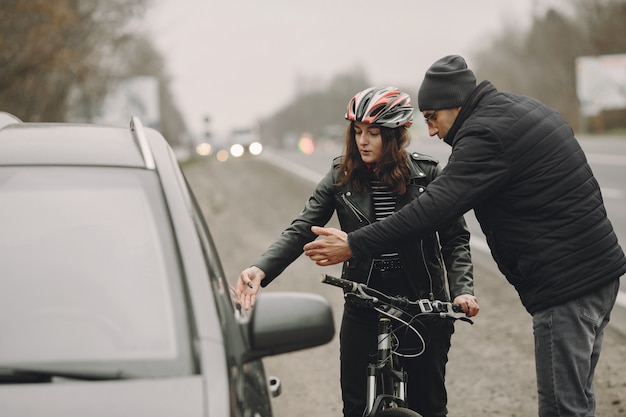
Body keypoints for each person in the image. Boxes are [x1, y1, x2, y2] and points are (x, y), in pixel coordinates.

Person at [303, 55, 626, 417]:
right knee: (578, 402)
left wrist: (355, 242)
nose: (431, 132)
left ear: (453, 105)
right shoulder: (518, 109)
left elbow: (434, 210)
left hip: (567, 287)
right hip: (598, 273)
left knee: (562, 409)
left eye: (432, 118)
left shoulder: (484, 136)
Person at [235, 86, 478, 417]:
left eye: (374, 133)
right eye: (358, 132)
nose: (363, 141)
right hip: (363, 297)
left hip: (421, 300)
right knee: (355, 405)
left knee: (430, 404)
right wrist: (260, 269)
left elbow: (455, 240)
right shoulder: (341, 176)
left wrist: (463, 292)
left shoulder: (428, 175)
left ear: (394, 136)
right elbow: (302, 228)